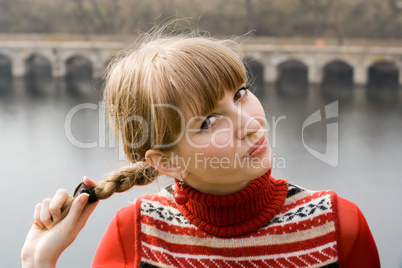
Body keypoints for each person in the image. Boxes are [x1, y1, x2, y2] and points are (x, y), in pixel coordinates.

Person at [21, 28, 380, 268]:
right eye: (208, 122)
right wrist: (39, 263)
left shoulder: (337, 226)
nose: (250, 123)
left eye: (240, 93)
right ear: (168, 162)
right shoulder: (134, 236)